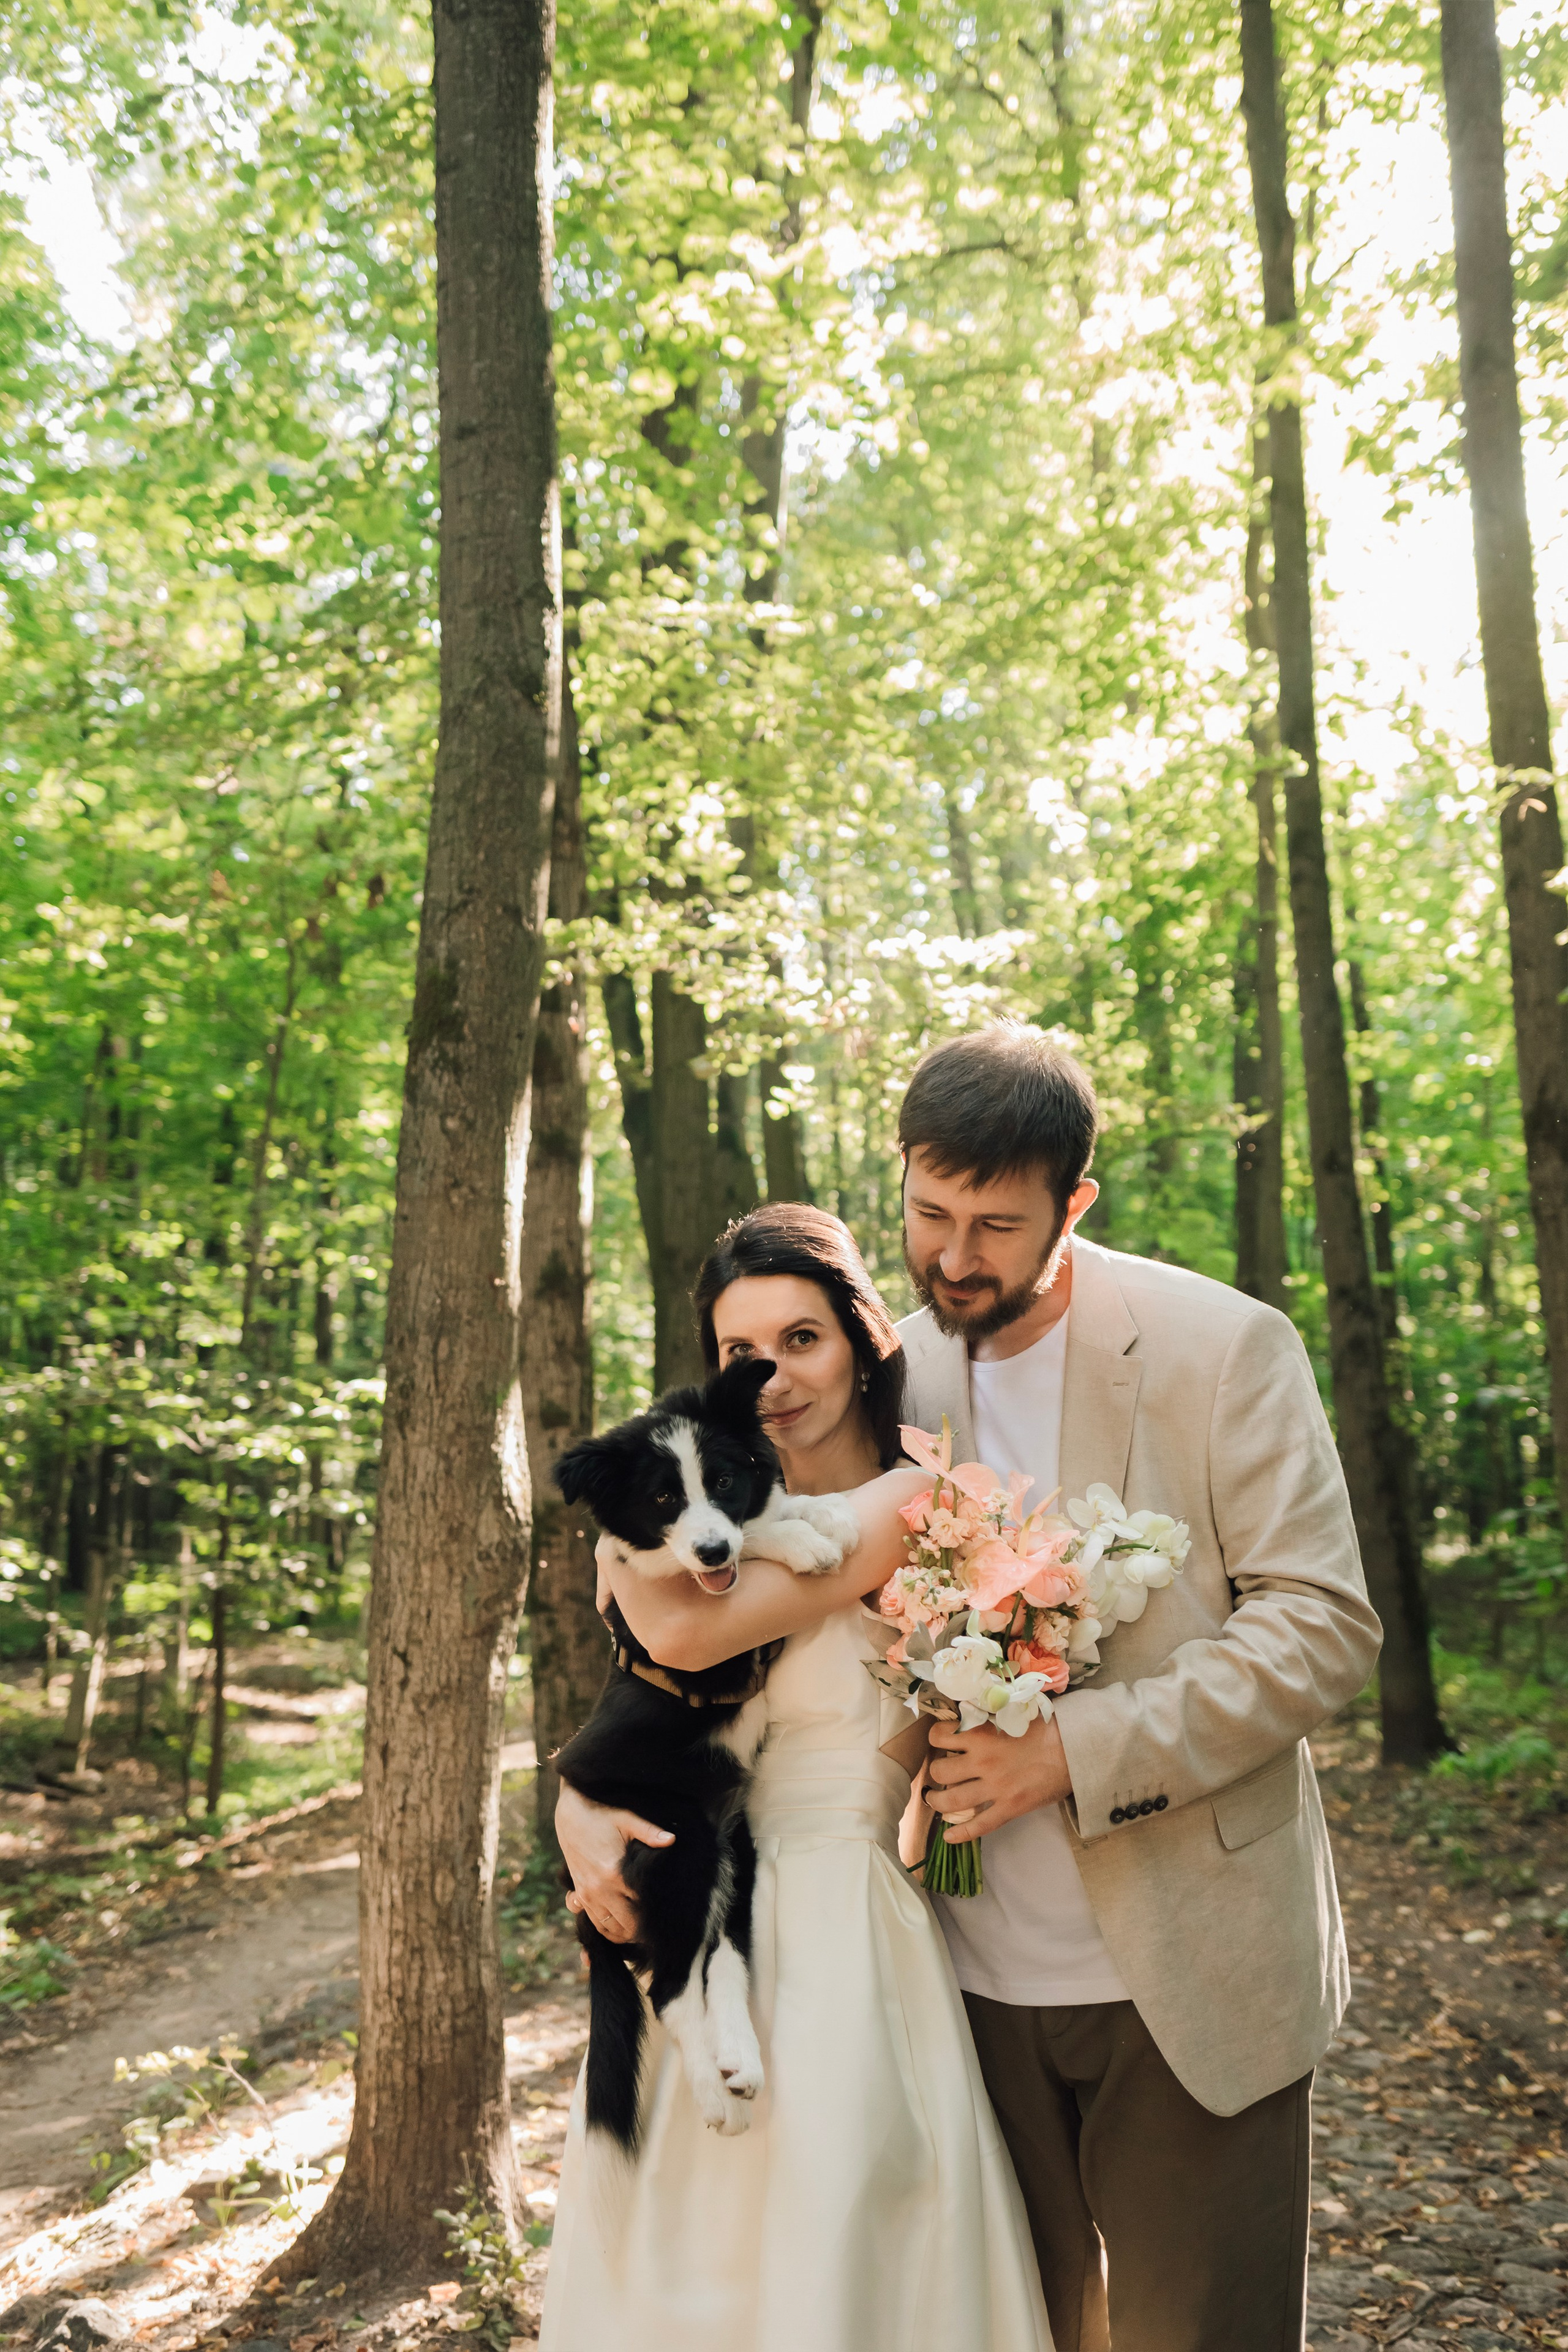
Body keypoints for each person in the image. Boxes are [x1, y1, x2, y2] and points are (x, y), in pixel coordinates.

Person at [894, 1023, 1381, 2351]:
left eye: (994, 1224)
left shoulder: (1220, 1347)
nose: (952, 1256)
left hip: (1186, 1970)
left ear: (1074, 1203)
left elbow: (1322, 1626)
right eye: (927, 1212)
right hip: (959, 1986)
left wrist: (1069, 1754)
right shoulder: (890, 1366)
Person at [540, 1203, 1054, 2352]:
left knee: (845, 2228)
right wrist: (580, 1798)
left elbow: (675, 1641)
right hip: (709, 1905)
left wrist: (627, 1569)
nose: (771, 1375)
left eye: (803, 1339)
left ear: (863, 1338)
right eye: (740, 1352)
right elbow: (652, 1712)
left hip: (839, 1917)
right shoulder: (693, 1516)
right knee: (690, 2263)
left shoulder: (919, 1503)